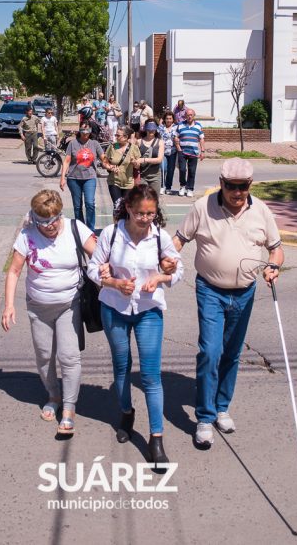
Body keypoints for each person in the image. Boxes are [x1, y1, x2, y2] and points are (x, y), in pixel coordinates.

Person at [172, 158, 284, 448]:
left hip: (245, 292)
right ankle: (205, 418)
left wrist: (273, 266)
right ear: (221, 183)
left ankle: (222, 407)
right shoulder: (202, 207)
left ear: (250, 185)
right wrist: (165, 260)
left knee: (231, 353)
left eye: (243, 187)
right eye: (232, 186)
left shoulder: (260, 210)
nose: (237, 192)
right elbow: (179, 240)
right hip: (210, 289)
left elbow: (276, 249)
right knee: (210, 351)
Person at [88, 184, 183, 466]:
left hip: (149, 310)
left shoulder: (160, 237)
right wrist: (114, 282)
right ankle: (126, 412)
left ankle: (156, 438)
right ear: (128, 208)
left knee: (151, 376)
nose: (145, 219)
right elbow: (93, 267)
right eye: (140, 213)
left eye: (151, 213)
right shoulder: (112, 233)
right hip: (114, 308)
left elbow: (178, 269)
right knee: (121, 366)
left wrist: (162, 278)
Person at [2, 190, 97, 436]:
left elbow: (100, 256)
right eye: (44, 221)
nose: (51, 226)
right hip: (37, 306)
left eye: (54, 219)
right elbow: (13, 271)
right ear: (34, 218)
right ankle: (53, 395)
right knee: (45, 356)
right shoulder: (27, 235)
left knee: (69, 356)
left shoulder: (76, 228)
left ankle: (69, 407)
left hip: (69, 303)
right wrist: (9, 305)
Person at [59, 123, 104, 229]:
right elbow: (67, 161)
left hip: (90, 178)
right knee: (77, 206)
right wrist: (62, 178)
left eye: (87, 130)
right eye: (83, 130)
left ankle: (90, 229)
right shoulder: (72, 144)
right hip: (74, 178)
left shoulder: (94, 144)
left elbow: (103, 158)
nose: (85, 132)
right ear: (79, 131)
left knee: (90, 203)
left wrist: (110, 165)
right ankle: (81, 229)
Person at [103, 126, 139, 210]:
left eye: (118, 135)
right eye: (116, 135)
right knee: (117, 207)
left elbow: (138, 166)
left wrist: (135, 163)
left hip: (128, 183)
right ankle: (117, 223)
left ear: (126, 137)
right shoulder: (112, 147)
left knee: (127, 208)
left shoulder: (134, 148)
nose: (116, 137)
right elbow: (104, 162)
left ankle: (125, 223)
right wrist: (110, 167)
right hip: (114, 182)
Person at [174, 108, 205, 197]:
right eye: (187, 115)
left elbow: (201, 139)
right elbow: (176, 137)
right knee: (182, 170)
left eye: (191, 115)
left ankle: (190, 188)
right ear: (185, 116)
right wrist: (178, 148)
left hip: (194, 152)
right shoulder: (180, 125)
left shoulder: (198, 126)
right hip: (182, 152)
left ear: (194, 116)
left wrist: (202, 151)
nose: (189, 116)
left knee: (192, 171)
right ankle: (182, 186)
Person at [136, 119, 164, 194]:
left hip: (155, 176)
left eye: (153, 129)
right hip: (142, 176)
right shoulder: (138, 142)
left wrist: (144, 160)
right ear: (145, 128)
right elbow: (135, 158)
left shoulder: (160, 142)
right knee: (143, 199)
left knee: (154, 200)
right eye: (149, 128)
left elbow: (159, 159)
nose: (151, 131)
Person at [158, 112, 179, 195]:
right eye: (167, 118)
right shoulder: (160, 127)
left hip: (173, 152)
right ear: (164, 119)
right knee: (163, 169)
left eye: (170, 118)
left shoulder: (176, 128)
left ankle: (168, 187)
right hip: (163, 152)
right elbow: (156, 137)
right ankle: (162, 186)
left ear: (173, 119)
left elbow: (179, 137)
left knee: (171, 170)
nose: (169, 120)